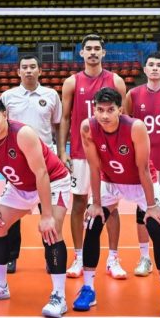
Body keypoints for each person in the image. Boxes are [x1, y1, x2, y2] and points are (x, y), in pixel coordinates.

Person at [74, 88, 160, 318]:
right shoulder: (87, 127)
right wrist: (96, 203)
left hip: (141, 183)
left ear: (120, 110)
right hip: (110, 182)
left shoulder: (135, 127)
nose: (104, 115)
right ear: (94, 110)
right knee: (92, 223)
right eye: (100, 110)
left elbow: (143, 168)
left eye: (110, 110)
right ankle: (88, 289)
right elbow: (94, 168)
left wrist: (151, 206)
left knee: (156, 227)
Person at [0, 97, 70, 318]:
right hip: (19, 186)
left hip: (52, 181)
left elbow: (41, 173)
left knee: (52, 231)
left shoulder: (23, 134)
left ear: (5, 115)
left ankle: (59, 296)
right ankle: (0, 285)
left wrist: (46, 215)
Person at [58, 34, 127, 279]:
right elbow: (65, 118)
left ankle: (113, 258)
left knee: (111, 206)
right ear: (82, 53)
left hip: (109, 153)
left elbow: (124, 118)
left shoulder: (115, 81)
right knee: (78, 204)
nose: (93, 52)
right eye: (89, 48)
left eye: (97, 48)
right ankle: (79, 256)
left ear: (104, 52)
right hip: (79, 152)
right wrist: (62, 150)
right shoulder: (72, 82)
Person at [0, 55, 62, 273]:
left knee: (48, 211)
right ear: (18, 72)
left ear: (40, 71)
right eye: (24, 67)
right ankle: (10, 257)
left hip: (45, 162)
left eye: (32, 67)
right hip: (16, 161)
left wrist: (61, 153)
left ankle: (51, 257)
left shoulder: (51, 95)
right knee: (12, 212)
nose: (28, 70)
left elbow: (57, 126)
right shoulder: (8, 96)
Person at [125, 52, 160, 277]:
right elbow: (124, 126)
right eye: (151, 65)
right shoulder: (133, 95)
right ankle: (145, 257)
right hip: (143, 164)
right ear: (145, 69)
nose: (155, 68)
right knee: (142, 210)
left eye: (159, 65)